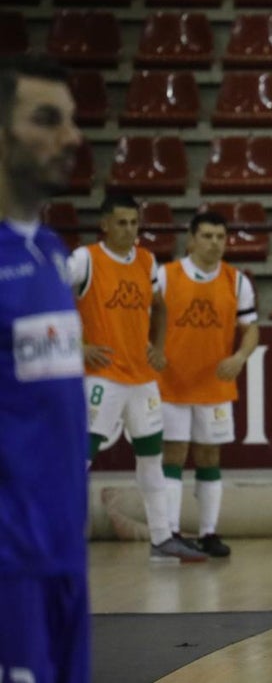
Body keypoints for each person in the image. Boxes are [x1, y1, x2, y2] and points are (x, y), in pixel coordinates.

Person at [0, 54, 90, 682]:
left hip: (65, 562)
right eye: (45, 120)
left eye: (72, 121)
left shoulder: (53, 252)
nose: (71, 138)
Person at [71, 192, 206, 563]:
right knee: (80, 456)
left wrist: (157, 347)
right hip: (102, 375)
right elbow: (55, 298)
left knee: (151, 457)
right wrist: (77, 345)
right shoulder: (85, 259)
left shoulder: (146, 261)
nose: (129, 230)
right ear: (104, 224)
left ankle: (162, 539)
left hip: (141, 377)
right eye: (121, 222)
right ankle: (60, 538)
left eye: (134, 222)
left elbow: (160, 308)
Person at [157, 210, 259, 557]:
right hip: (172, 383)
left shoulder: (237, 281)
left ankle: (208, 532)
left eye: (220, 237)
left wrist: (240, 357)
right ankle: (168, 531)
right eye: (208, 236)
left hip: (214, 384)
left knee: (209, 456)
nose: (215, 243)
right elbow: (142, 318)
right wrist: (149, 351)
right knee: (173, 455)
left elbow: (251, 328)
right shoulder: (166, 276)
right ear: (191, 239)